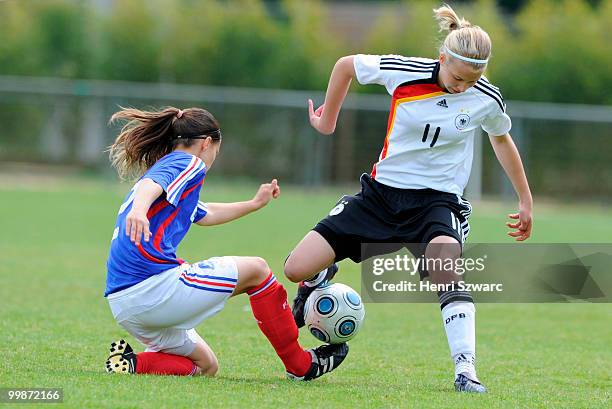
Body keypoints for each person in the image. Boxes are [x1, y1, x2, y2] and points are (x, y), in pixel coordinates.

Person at [284, 4, 533, 393]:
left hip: (438, 202)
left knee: (446, 268)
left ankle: (465, 370)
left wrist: (525, 200)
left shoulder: (487, 97)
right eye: (457, 77)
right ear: (443, 57)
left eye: (472, 80)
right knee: (295, 267)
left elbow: (501, 140)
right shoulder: (404, 72)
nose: (463, 87)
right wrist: (328, 120)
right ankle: (317, 279)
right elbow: (345, 65)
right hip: (380, 197)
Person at [103, 106, 348, 380]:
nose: (213, 158)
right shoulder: (187, 162)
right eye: (216, 152)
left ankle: (134, 363)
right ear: (207, 143)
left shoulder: (171, 170)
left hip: (124, 304)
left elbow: (205, 213)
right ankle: (301, 365)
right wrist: (138, 210)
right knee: (257, 270)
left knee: (206, 366)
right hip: (152, 290)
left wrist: (254, 204)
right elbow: (151, 184)